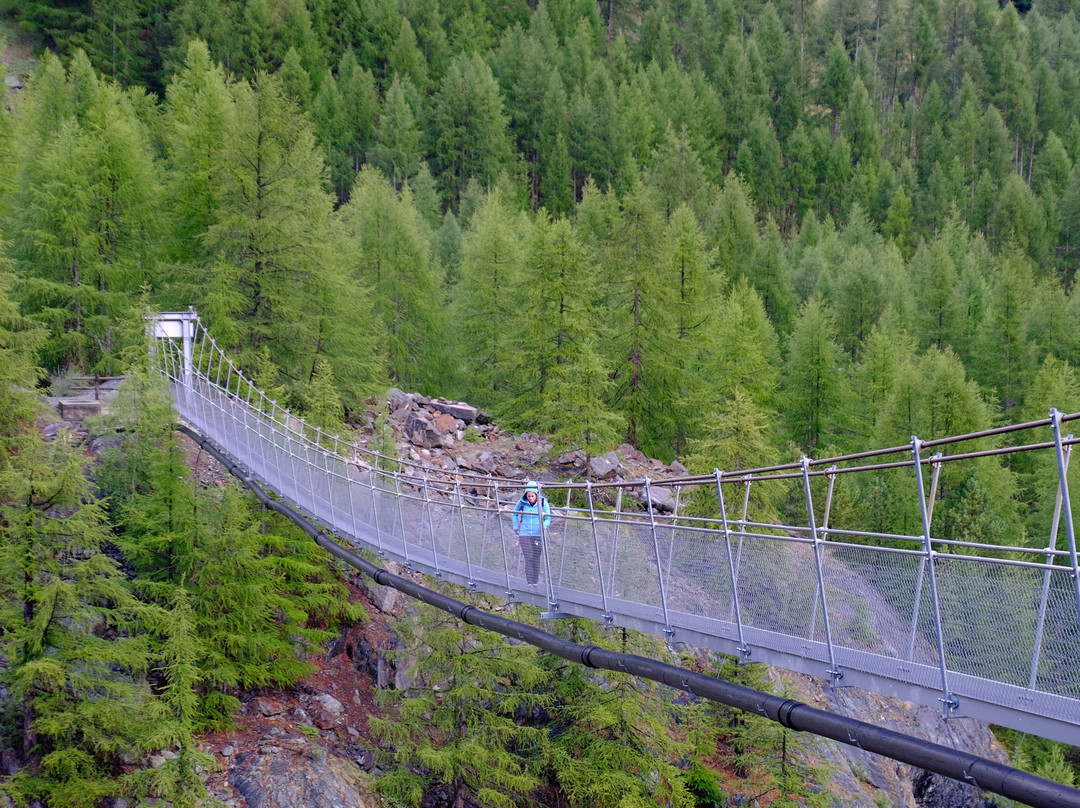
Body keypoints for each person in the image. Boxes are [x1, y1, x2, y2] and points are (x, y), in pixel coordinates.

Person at [512, 481, 550, 593]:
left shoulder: (543, 502)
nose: (530, 498)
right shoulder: (522, 502)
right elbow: (514, 513)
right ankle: (529, 585)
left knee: (536, 559)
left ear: (536, 494)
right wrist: (515, 527)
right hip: (524, 534)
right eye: (528, 496)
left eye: (532, 496)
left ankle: (535, 583)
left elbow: (548, 517)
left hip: (538, 534)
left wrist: (544, 526)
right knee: (528, 558)